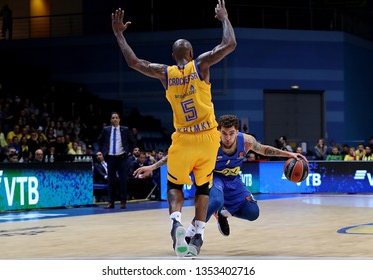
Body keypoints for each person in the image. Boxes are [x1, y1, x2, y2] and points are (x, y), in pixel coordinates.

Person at [111, 0, 236, 257]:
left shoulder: (165, 73)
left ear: (173, 56)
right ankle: (198, 235)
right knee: (203, 188)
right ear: (190, 54)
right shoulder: (200, 65)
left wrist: (119, 34)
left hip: (183, 139)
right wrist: (224, 18)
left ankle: (176, 222)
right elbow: (229, 44)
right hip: (208, 139)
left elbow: (134, 62)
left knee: (174, 186)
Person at [134, 115, 308, 254]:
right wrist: (153, 166)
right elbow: (179, 154)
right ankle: (190, 234)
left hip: (234, 180)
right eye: (224, 133)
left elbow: (263, 149)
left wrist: (288, 154)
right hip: (212, 177)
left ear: (237, 131)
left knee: (253, 213)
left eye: (231, 133)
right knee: (215, 200)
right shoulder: (209, 140)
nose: (227, 137)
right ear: (219, 131)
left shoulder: (246, 141)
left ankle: (222, 214)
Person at [98, 112, 136, 209]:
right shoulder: (106, 130)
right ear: (111, 120)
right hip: (110, 158)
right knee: (111, 181)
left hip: (122, 158)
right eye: (113, 118)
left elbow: (133, 141)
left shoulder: (125, 130)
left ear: (119, 119)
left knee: (123, 180)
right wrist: (102, 151)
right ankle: (111, 202)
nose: (115, 119)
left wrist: (129, 152)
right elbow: (100, 140)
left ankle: (123, 202)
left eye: (116, 118)